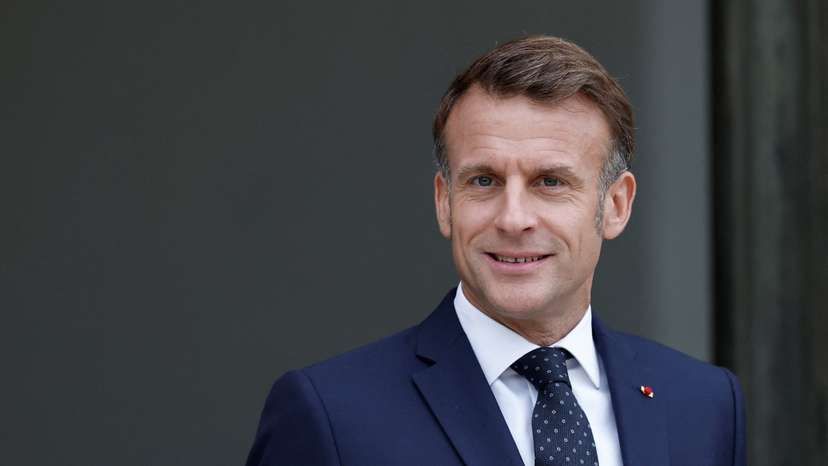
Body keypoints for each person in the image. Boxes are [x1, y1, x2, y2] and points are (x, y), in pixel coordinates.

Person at [246, 36, 746, 466]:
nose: (512, 218)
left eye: (550, 182)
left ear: (616, 205)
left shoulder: (704, 405)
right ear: (445, 203)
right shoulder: (331, 416)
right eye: (483, 181)